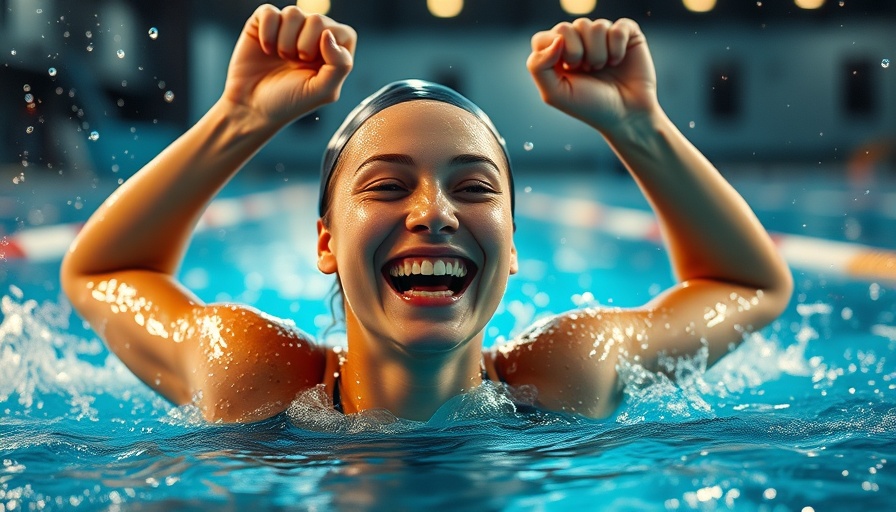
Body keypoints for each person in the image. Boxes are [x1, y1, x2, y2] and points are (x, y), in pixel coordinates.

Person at [60, 4, 793, 423]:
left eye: (474, 188)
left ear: (512, 247)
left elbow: (750, 289)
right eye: (385, 186)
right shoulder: (258, 376)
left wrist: (641, 127)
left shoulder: (567, 371)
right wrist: (239, 118)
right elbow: (100, 274)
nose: (433, 213)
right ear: (325, 242)